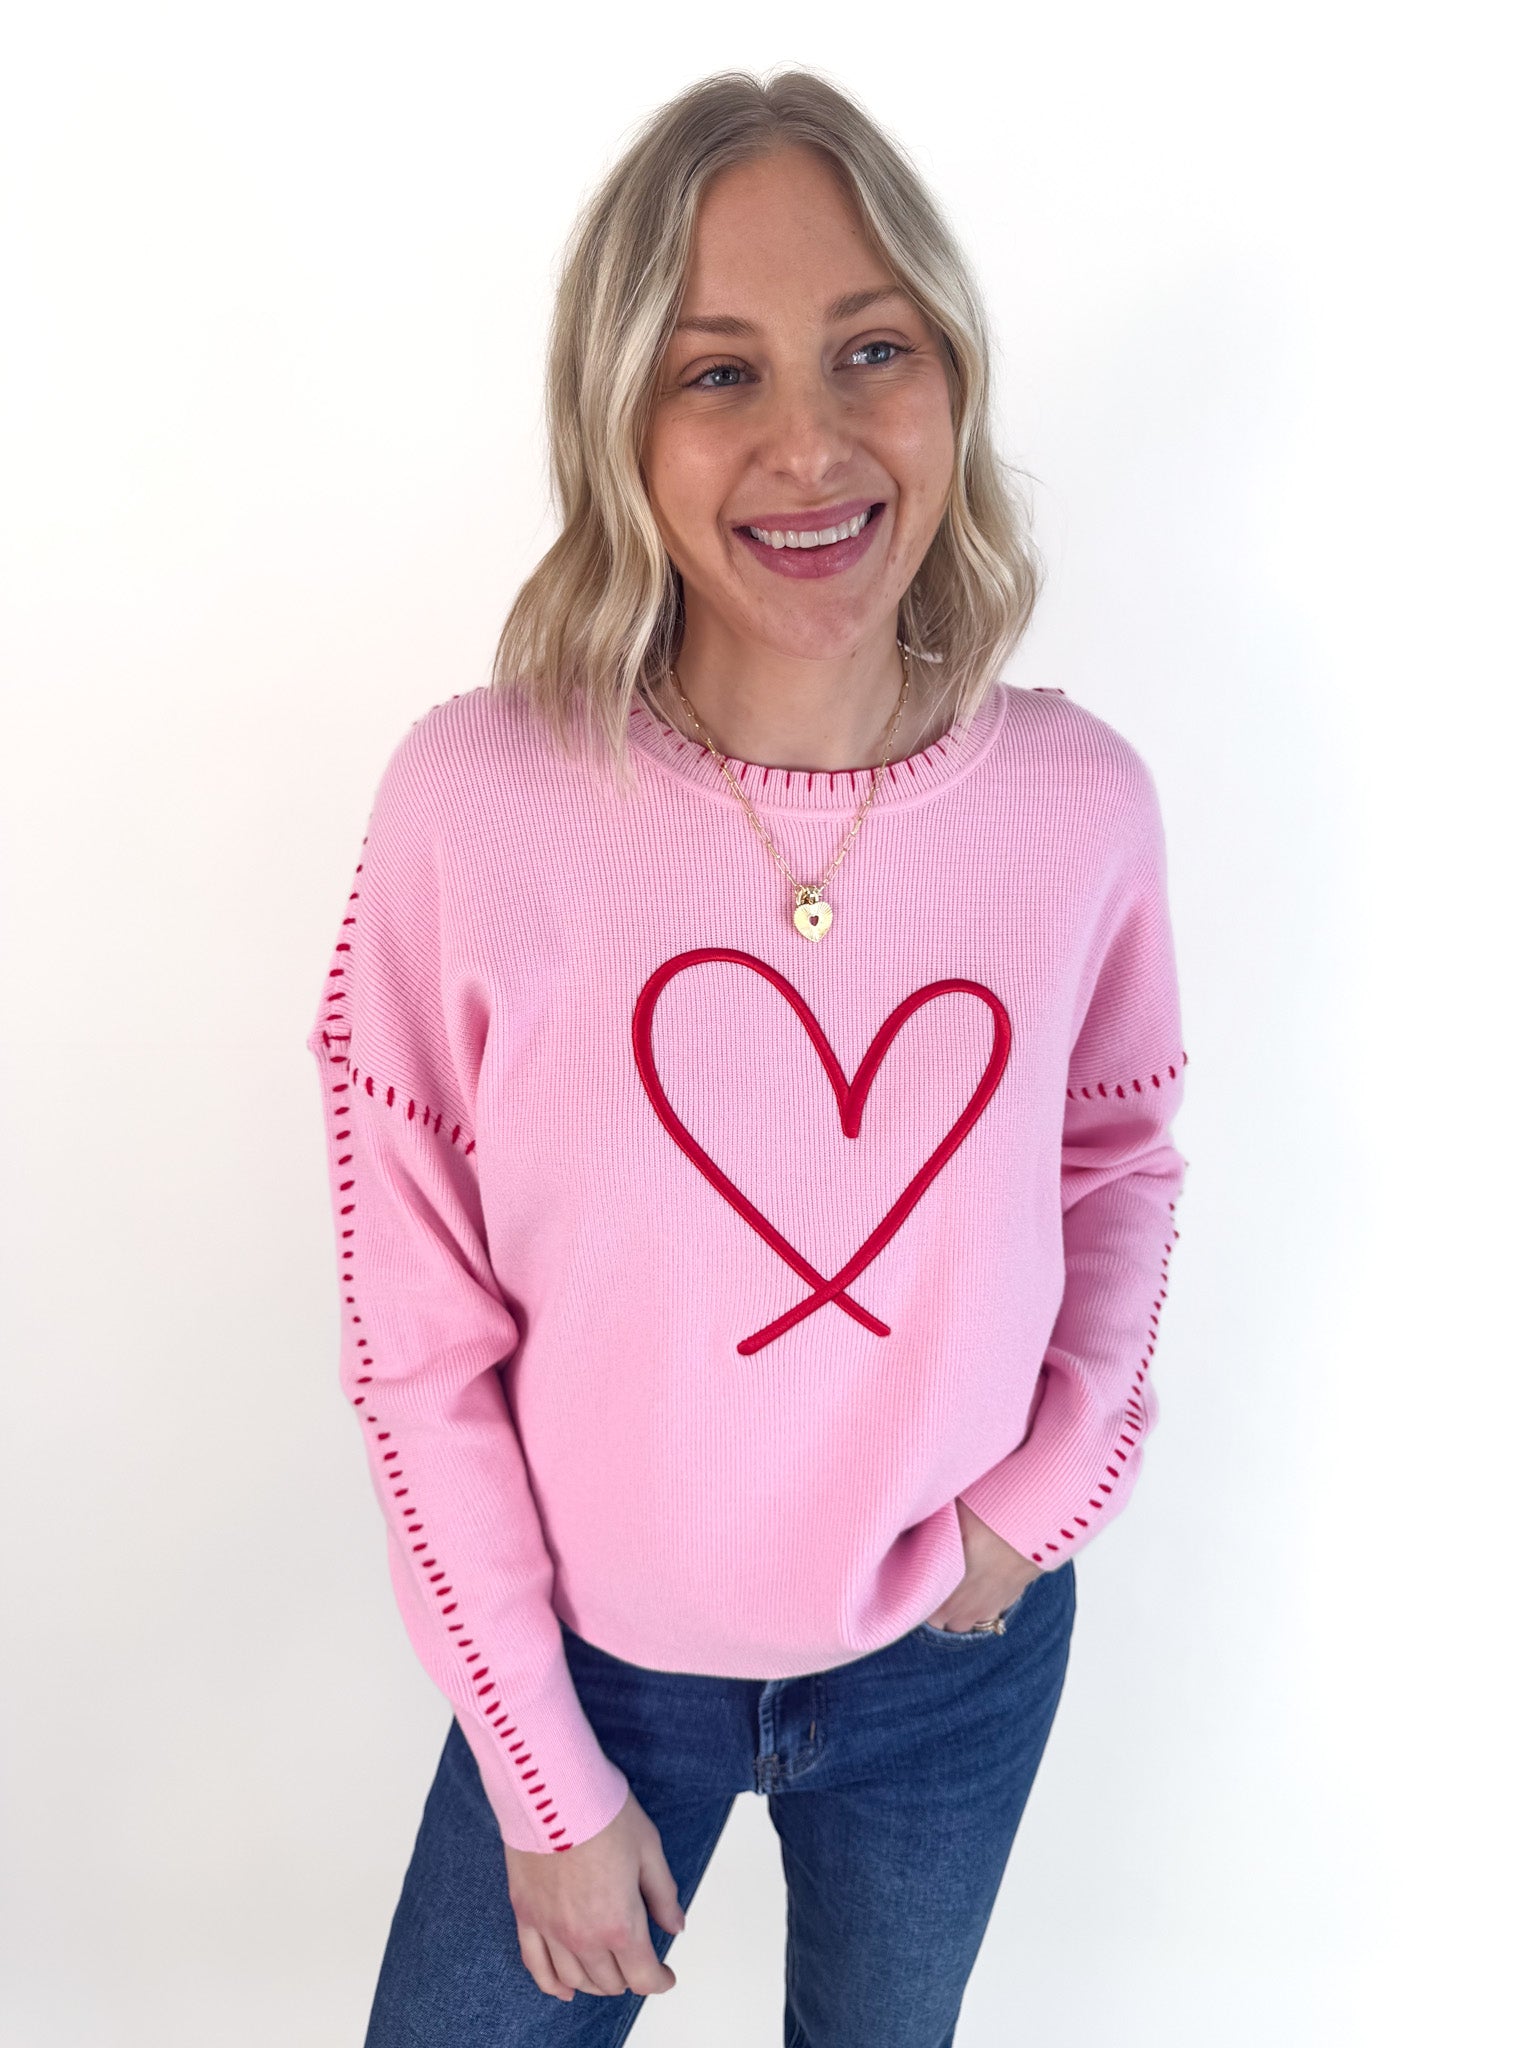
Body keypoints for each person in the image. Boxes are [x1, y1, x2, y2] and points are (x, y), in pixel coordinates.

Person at [306, 65, 1189, 2048]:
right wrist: (543, 1773)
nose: (813, 441)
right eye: (720, 373)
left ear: (950, 378)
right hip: (593, 1671)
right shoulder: (479, 801)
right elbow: (415, 1339)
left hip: (953, 1659)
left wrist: (1039, 1499)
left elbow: (1119, 1163)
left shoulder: (1077, 807)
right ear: (619, 421)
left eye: (873, 348)